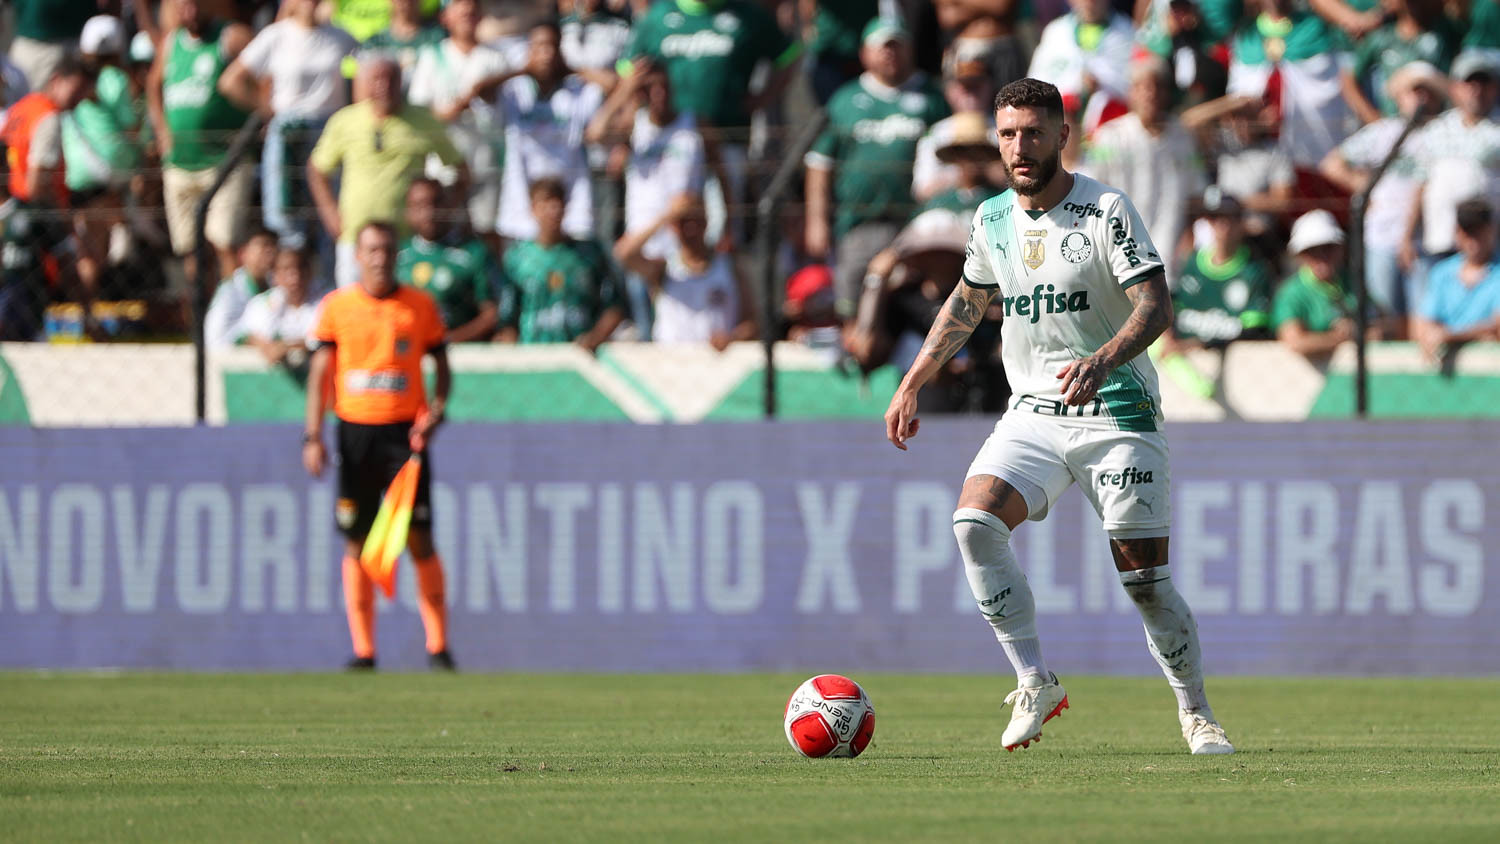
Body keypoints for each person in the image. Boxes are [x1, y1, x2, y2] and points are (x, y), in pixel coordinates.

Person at [882, 78, 1234, 755]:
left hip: (1117, 409)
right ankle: (1034, 679)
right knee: (974, 522)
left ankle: (1196, 713)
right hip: (1034, 413)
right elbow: (965, 304)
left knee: (1146, 583)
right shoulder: (990, 221)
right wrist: (912, 382)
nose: (1020, 146)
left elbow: (1156, 308)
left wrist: (1103, 359)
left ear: (1062, 136)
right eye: (1009, 133)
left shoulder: (1104, 210)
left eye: (1034, 132)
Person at [304, 221, 455, 671]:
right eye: (371, 249)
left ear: (396, 254)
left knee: (418, 536)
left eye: (387, 249)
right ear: (358, 255)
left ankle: (438, 646)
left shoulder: (419, 307)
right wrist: (312, 435)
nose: (379, 257)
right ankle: (364, 650)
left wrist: (438, 410)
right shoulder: (337, 308)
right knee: (356, 540)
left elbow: (442, 365)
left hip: (404, 435)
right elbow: (320, 374)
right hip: (354, 433)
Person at [805, 17, 949, 321]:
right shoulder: (845, 101)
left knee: (912, 304)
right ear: (865, 54)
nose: (890, 54)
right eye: (883, 47)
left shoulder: (932, 98)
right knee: (852, 304)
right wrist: (816, 220)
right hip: (858, 222)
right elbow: (819, 164)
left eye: (897, 46)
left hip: (914, 223)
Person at [308, 58, 467, 289]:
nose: (385, 85)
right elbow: (317, 170)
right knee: (355, 308)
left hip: (406, 244)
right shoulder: (345, 121)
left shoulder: (423, 121)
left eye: (391, 78)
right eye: (378, 79)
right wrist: (330, 213)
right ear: (365, 83)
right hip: (355, 239)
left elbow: (461, 170)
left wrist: (443, 213)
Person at [219, 0, 359, 249]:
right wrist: (268, 110)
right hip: (287, 138)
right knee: (286, 217)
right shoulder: (276, 36)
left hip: (329, 135)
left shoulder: (341, 37)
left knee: (332, 213)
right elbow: (231, 82)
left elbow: (364, 74)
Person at [586, 62, 708, 338]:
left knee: (683, 326)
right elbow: (596, 134)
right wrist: (624, 90)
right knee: (647, 329)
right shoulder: (634, 125)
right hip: (642, 243)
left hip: (684, 246)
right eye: (651, 89)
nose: (659, 95)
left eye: (664, 87)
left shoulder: (693, 124)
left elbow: (720, 173)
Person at [1321, 61, 1448, 321]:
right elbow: (1332, 164)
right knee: (1382, 314)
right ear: (1400, 96)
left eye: (1427, 91)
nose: (1421, 98)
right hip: (1381, 236)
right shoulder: (1382, 133)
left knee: (1422, 317)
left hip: (1426, 242)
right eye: (1414, 91)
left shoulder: (1443, 135)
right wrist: (1368, 188)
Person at [147, 0, 254, 282]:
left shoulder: (231, 37)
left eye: (195, 6)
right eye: (183, 7)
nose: (190, 14)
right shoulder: (171, 44)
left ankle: (229, 318)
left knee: (225, 243)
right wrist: (162, 131)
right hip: (180, 165)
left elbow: (265, 73)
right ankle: (199, 320)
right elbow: (153, 85)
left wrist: (257, 110)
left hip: (224, 162)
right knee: (190, 251)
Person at [1085, 56, 1206, 284]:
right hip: (1118, 249)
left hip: (1170, 251)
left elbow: (1195, 195)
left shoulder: (1183, 138)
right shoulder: (1110, 137)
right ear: (1131, 93)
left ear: (1167, 93)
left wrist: (1189, 241)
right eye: (1142, 87)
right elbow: (1091, 192)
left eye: (1157, 86)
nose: (1150, 93)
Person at [0, 59, 95, 340]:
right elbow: (38, 182)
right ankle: (89, 322)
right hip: (28, 219)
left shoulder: (23, 108)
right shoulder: (48, 118)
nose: (79, 99)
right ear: (57, 80)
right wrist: (59, 224)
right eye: (76, 90)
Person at [406, 0, 512, 239]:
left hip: (486, 161)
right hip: (444, 166)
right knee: (442, 228)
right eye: (460, 11)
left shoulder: (496, 59)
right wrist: (452, 110)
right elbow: (420, 112)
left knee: (485, 229)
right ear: (446, 18)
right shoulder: (432, 56)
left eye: (472, 12)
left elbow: (506, 110)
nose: (467, 16)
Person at [1401, 51, 1500, 306]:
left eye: (1484, 83)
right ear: (1455, 88)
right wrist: (1407, 236)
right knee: (1434, 306)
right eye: (1470, 83)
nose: (1477, 90)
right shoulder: (1436, 131)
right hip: (1440, 239)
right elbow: (1420, 184)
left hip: (1488, 244)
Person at [493, 21, 605, 244]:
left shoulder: (575, 91)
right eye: (540, 46)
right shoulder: (514, 91)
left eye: (553, 46)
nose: (547, 53)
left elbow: (613, 86)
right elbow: (479, 90)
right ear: (529, 49)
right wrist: (524, 69)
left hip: (571, 210)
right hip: (519, 210)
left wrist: (569, 68)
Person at [614, 192, 757, 348]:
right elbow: (624, 254)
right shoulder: (664, 269)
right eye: (682, 221)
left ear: (706, 221)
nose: (690, 227)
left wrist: (731, 338)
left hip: (717, 364)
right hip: (672, 362)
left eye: (696, 219)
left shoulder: (730, 267)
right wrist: (666, 216)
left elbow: (753, 323)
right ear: (673, 226)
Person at [497, 178, 625, 349]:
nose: (553, 210)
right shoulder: (517, 258)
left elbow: (614, 306)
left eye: (557, 202)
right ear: (533, 209)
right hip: (533, 353)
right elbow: (507, 317)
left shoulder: (588, 254)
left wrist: (595, 338)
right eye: (545, 203)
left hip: (578, 355)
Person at [397, 178, 500, 343]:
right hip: (408, 353)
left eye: (435, 203)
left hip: (461, 354)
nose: (429, 212)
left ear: (448, 206)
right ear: (408, 213)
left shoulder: (474, 253)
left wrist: (448, 341)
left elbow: (491, 314)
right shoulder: (396, 256)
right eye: (419, 205)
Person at [1413, 198, 1500, 363]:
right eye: (1468, 232)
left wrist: (1450, 335)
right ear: (1457, 233)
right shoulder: (1441, 273)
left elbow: (1498, 328)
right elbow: (1423, 326)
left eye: (1479, 232)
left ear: (1491, 230)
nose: (1473, 241)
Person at [1272, 209, 1359, 362]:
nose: (1322, 257)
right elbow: (1295, 341)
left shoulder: (1354, 284)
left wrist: (1365, 330)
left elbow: (1388, 325)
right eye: (1312, 251)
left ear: (1341, 249)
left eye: (1328, 248)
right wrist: (1342, 337)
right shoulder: (1291, 293)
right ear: (1300, 256)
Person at [243, 245, 322, 369]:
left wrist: (287, 347)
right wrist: (266, 347)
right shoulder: (260, 304)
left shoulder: (326, 303)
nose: (295, 277)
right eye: (286, 270)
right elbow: (248, 336)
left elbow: (324, 341)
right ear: (275, 275)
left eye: (300, 268)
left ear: (309, 271)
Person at [204, 227, 279, 348]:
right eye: (263, 246)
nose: (270, 252)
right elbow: (214, 338)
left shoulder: (278, 289)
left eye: (273, 247)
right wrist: (247, 339)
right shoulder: (230, 291)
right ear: (243, 253)